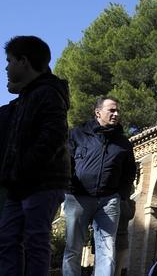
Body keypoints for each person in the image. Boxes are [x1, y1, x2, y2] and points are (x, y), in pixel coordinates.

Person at [0, 36, 71, 275]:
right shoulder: (26, 97)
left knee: (35, 241)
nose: (6, 67)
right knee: (8, 239)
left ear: (24, 61)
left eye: (9, 60)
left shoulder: (49, 94)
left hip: (41, 182)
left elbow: (52, 137)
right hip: (18, 183)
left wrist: (24, 169)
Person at [63, 96, 137, 276]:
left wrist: (120, 195)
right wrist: (68, 187)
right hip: (77, 198)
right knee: (73, 248)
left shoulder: (124, 143)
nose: (116, 114)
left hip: (109, 201)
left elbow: (129, 173)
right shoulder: (77, 134)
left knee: (107, 251)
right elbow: (65, 161)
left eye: (117, 110)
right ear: (98, 113)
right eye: (111, 110)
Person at [115, 198, 136, 275]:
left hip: (121, 240)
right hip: (106, 239)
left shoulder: (130, 203)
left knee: (117, 269)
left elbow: (129, 215)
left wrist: (123, 201)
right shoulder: (108, 198)